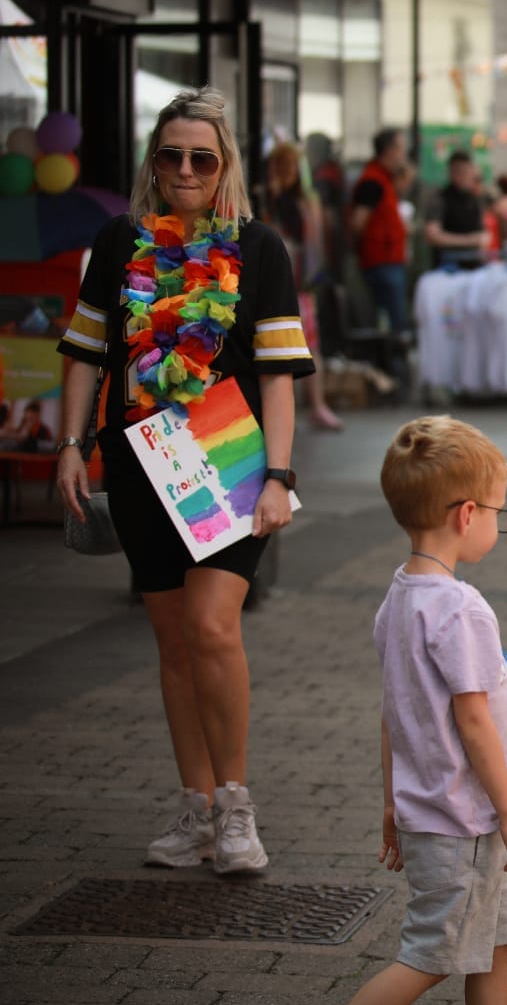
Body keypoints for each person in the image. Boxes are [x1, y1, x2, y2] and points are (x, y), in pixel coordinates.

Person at [54, 86, 313, 874]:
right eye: (172, 155)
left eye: (202, 156)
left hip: (229, 461)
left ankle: (236, 807)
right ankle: (195, 807)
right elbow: (85, 353)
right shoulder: (121, 241)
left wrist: (278, 474)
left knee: (211, 628)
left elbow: (277, 376)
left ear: (224, 165)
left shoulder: (259, 247)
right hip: (138, 461)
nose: (186, 169)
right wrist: (71, 446)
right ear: (154, 163)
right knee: (171, 641)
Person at [323, 416, 507, 1005]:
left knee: (493, 949)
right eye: (500, 510)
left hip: (434, 816)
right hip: (467, 823)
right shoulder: (461, 610)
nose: (500, 522)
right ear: (467, 514)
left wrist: (392, 802)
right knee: (428, 959)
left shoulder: (399, 597)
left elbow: (395, 712)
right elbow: (473, 722)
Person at [266, 141, 344, 432]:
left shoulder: (300, 201)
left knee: (309, 344)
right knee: (289, 346)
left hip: (299, 281)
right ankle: (304, 407)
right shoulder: (277, 199)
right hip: (286, 281)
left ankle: (316, 404)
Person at [349, 128, 413, 335]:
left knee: (393, 322)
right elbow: (357, 222)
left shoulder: (383, 179)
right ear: (390, 150)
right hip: (382, 263)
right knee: (394, 326)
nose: (404, 154)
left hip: (387, 260)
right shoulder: (373, 181)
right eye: (401, 148)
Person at [424, 152, 491, 270]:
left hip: (474, 267)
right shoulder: (441, 198)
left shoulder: (475, 199)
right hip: (447, 269)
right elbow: (432, 234)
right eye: (459, 172)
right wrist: (469, 240)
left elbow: (482, 234)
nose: (464, 176)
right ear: (451, 173)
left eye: (467, 171)